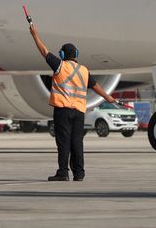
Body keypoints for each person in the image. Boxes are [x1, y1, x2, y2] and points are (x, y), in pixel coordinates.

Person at [29, 22, 120, 181]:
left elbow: (44, 51)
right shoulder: (84, 70)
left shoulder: (59, 65)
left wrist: (34, 34)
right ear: (76, 54)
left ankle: (63, 173)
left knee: (63, 142)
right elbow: (95, 86)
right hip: (79, 112)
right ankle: (79, 173)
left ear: (62, 55)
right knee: (77, 142)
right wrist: (109, 98)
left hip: (63, 111)